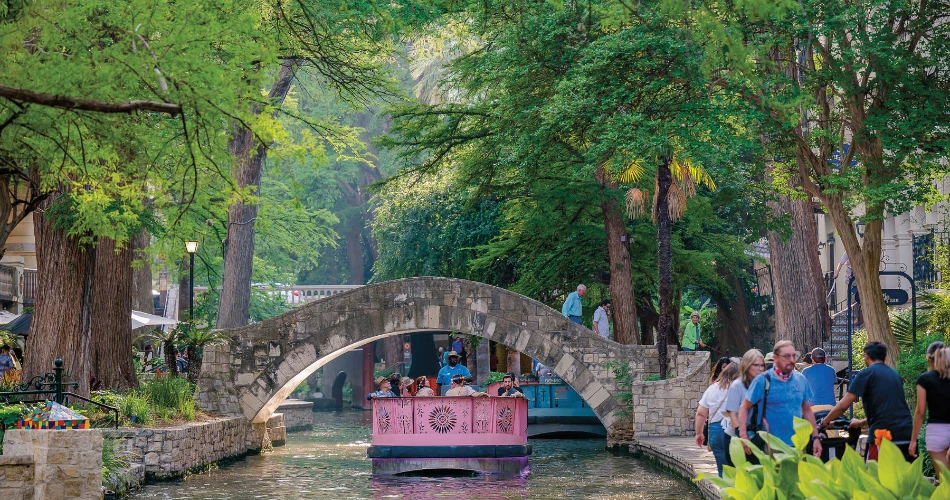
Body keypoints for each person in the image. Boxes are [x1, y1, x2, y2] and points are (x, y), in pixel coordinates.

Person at [818, 342, 914, 462]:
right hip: (906, 434)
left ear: (866, 356)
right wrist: (861, 422)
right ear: (885, 356)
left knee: (874, 477)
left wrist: (825, 422)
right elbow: (889, 411)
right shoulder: (895, 375)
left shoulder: (866, 374)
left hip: (882, 436)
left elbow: (843, 405)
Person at [738, 341, 822, 457]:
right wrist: (743, 435)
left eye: (793, 356)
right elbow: (744, 407)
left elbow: (807, 410)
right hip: (772, 446)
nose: (792, 360)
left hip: (798, 444)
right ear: (775, 358)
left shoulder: (800, 379)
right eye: (787, 356)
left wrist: (816, 437)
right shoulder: (763, 380)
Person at [910, 341, 950, 477]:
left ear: (930, 359)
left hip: (937, 431)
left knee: (945, 480)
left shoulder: (925, 379)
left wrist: (913, 440)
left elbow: (920, 412)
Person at [695, 362, 740, 477]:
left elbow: (701, 413)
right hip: (734, 429)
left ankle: (724, 493)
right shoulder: (740, 389)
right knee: (738, 468)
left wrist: (699, 433)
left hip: (716, 430)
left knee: (722, 469)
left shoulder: (712, 389)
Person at [722, 349, 766, 465]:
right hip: (736, 437)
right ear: (747, 365)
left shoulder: (763, 385)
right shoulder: (737, 385)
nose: (760, 369)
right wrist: (742, 436)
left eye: (762, 365)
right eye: (756, 365)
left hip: (757, 437)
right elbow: (732, 413)